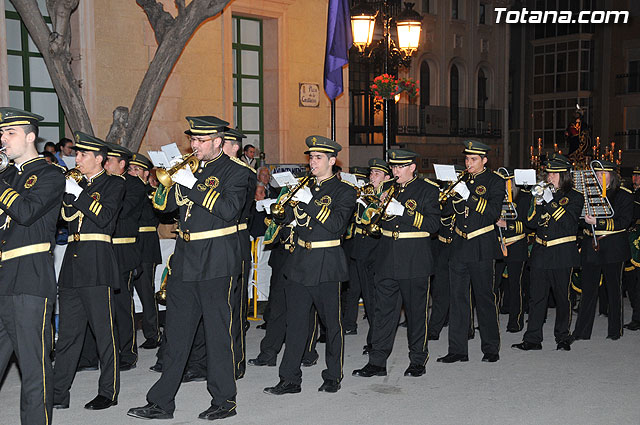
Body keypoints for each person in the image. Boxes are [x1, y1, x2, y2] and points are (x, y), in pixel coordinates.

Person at [128, 115, 247, 421]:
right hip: (186, 259)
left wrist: (192, 185)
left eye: (200, 141)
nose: (194, 146)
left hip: (217, 260)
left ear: (218, 142)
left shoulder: (236, 172)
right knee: (177, 334)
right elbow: (164, 208)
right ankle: (161, 402)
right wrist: (169, 179)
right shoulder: (191, 168)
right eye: (192, 140)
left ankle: (224, 400)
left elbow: (229, 209)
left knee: (218, 334)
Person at [264, 135, 356, 395]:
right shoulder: (304, 187)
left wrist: (310, 202)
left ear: (332, 161)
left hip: (327, 263)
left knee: (332, 324)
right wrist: (281, 211)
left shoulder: (345, 191)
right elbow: (289, 218)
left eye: (318, 158)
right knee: (296, 324)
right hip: (299, 262)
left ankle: (332, 375)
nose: (312, 162)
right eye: (310, 158)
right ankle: (289, 379)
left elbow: (337, 225)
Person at [0, 108, 65, 425]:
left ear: (30, 136)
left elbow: (25, 212)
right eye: (1, 133)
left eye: (9, 133)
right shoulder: (7, 177)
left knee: (33, 366)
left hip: (30, 278)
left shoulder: (51, 174)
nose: (2, 139)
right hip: (3, 280)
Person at [53, 131, 124, 410]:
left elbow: (105, 218)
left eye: (82, 155)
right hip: (73, 261)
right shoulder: (75, 183)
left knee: (103, 332)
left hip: (97, 261)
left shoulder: (113, 184)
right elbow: (64, 218)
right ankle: (58, 392)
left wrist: (78, 193)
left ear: (99, 159)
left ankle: (109, 391)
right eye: (77, 154)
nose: (77, 159)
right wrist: (68, 191)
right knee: (69, 334)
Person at [353, 150, 440, 378]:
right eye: (393, 167)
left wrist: (402, 212)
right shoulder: (388, 188)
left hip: (414, 260)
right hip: (387, 257)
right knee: (383, 313)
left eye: (400, 167)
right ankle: (377, 361)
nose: (395, 171)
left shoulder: (428, 190)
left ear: (412, 167)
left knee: (415, 313)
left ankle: (417, 360)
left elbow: (432, 225)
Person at [437, 140, 504, 364]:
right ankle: (458, 349)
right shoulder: (461, 180)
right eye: (466, 159)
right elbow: (446, 211)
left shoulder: (495, 181)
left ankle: (491, 347)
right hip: (459, 245)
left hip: (481, 245)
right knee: (457, 299)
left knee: (484, 298)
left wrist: (469, 196)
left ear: (484, 160)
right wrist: (447, 194)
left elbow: (493, 212)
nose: (469, 163)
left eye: (473, 159)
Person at [512, 157, 583, 352]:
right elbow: (531, 223)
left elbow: (568, 224)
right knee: (536, 298)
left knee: (562, 298)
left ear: (564, 175)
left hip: (562, 252)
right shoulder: (543, 194)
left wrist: (551, 203)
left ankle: (562, 337)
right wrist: (535, 200)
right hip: (540, 252)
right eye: (548, 173)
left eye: (554, 174)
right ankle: (533, 338)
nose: (549, 177)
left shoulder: (576, 196)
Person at [573, 160, 633, 341]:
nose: (600, 177)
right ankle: (582, 332)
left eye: (604, 174)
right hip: (591, 246)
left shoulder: (624, 195)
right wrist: (585, 219)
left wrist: (597, 222)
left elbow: (623, 222)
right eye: (597, 174)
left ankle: (615, 331)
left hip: (613, 246)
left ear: (612, 176)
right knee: (588, 290)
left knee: (614, 290)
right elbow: (580, 220)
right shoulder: (588, 195)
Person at [222, 128, 256, 379]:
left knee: (234, 303)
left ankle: (235, 360)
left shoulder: (243, 173)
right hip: (210, 243)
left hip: (234, 237)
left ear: (234, 147)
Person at [129, 153, 163, 349]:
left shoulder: (150, 192)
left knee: (145, 290)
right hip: (130, 243)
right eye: (131, 169)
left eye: (137, 169)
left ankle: (153, 333)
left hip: (145, 243)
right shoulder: (126, 189)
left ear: (145, 173)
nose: (132, 172)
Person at [493, 168, 531, 333]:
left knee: (516, 286)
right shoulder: (494, 197)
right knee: (492, 287)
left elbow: (528, 224)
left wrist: (506, 225)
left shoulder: (524, 197)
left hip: (516, 244)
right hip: (497, 245)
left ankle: (516, 321)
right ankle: (491, 322)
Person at [624, 166, 640, 330]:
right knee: (631, 279)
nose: (635, 178)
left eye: (638, 176)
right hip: (631, 238)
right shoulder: (630, 193)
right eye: (634, 175)